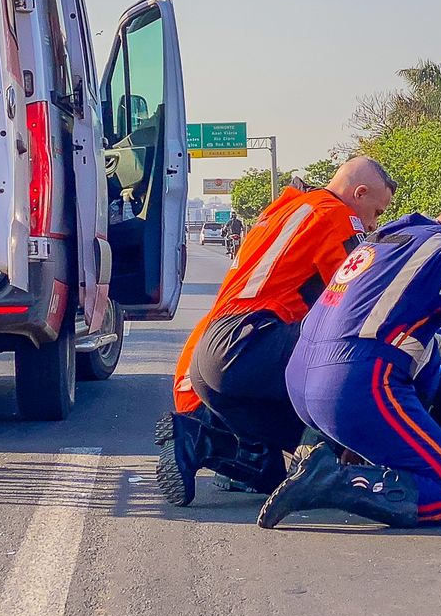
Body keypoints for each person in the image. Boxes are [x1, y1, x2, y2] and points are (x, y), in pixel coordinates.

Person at [257, 192, 441, 529]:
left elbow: (388, 323)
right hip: (355, 383)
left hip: (301, 376)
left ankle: (326, 464)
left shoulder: (388, 237)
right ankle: (331, 480)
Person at [156, 157, 397, 507]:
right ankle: (321, 458)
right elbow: (362, 298)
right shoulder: (336, 215)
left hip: (207, 362)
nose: (373, 222)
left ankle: (196, 440)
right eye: (375, 211)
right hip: (250, 342)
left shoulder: (285, 209)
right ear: (359, 193)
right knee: (351, 351)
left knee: (269, 472)